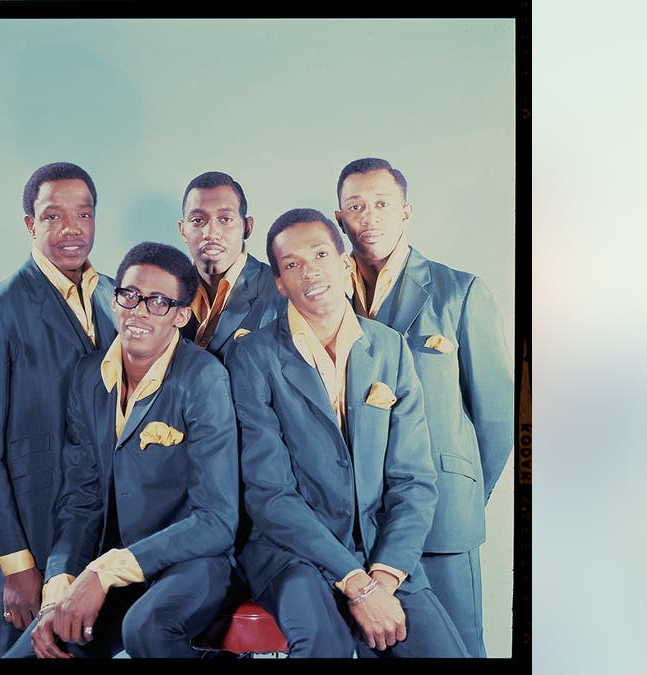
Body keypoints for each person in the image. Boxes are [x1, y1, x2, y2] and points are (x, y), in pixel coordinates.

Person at [225, 208, 468, 658]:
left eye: (320, 254)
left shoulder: (389, 348)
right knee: (325, 646)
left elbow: (413, 480)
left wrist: (387, 574)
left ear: (344, 263)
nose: (310, 271)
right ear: (280, 282)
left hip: (382, 550)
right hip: (292, 553)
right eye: (292, 264)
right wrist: (355, 583)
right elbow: (269, 494)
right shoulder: (253, 357)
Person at [4, 242, 241, 659]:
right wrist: (57, 592)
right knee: (35, 651)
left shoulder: (205, 378)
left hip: (193, 563)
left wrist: (102, 572)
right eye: (129, 295)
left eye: (158, 302)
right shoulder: (87, 377)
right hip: (114, 572)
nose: (139, 311)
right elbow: (81, 501)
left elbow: (216, 521)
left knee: (146, 630)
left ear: (182, 316)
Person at [334, 157, 514, 657]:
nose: (368, 216)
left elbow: (497, 418)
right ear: (339, 217)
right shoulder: (325, 299)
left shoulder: (460, 291)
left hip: (442, 519)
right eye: (356, 206)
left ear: (406, 212)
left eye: (382, 204)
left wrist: (461, 486)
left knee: (458, 648)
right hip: (359, 526)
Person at [0, 161, 118, 657]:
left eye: (84, 215)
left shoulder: (118, 296)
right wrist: (14, 563)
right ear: (31, 224)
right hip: (36, 533)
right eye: (54, 216)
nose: (72, 228)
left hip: (110, 528)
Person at [176, 171, 286, 360]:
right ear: (183, 230)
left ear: (248, 227)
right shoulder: (165, 294)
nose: (211, 232)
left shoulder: (282, 296)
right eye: (197, 220)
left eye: (225, 219)